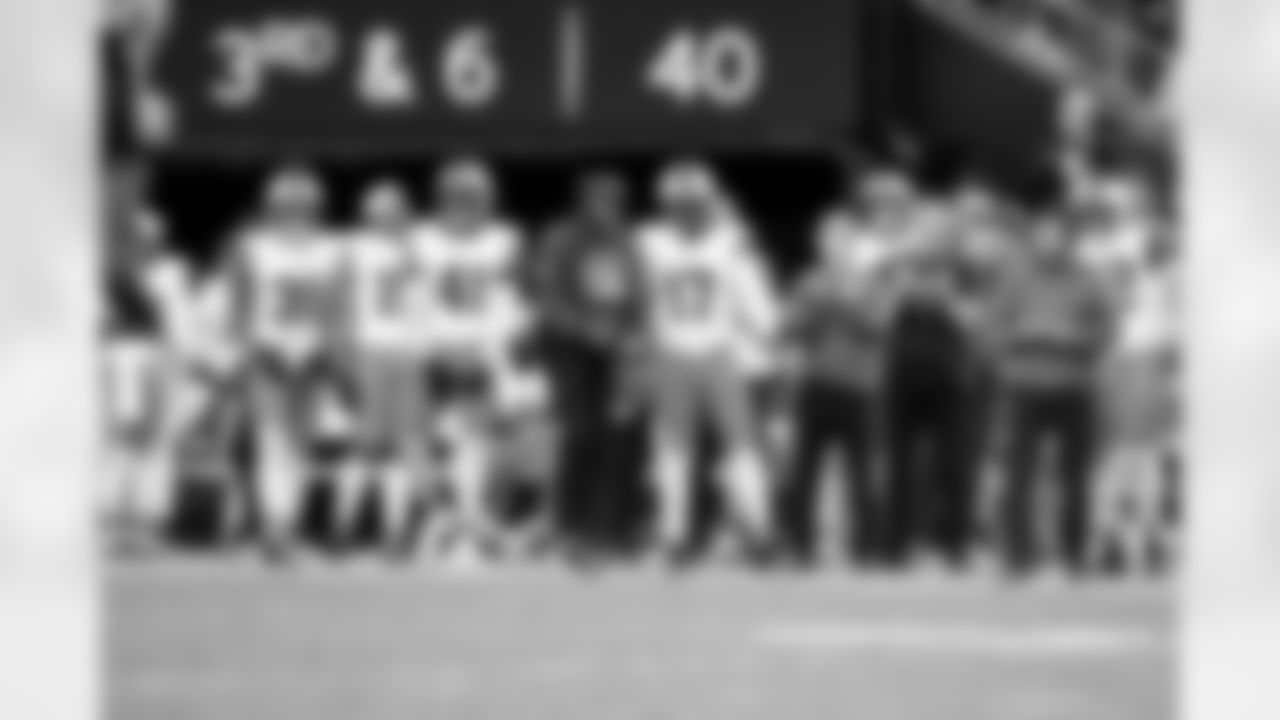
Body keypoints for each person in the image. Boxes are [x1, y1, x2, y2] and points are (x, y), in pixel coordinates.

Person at [635, 160, 779, 564]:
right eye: (682, 206)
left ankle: (754, 529)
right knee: (679, 447)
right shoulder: (664, 242)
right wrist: (770, 330)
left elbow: (751, 297)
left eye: (694, 205)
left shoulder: (658, 241)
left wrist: (768, 332)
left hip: (708, 350)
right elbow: (755, 301)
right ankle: (677, 534)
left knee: (731, 445)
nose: (688, 213)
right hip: (683, 351)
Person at [410, 158, 530, 565]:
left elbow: (515, 302)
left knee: (480, 445)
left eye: (471, 198)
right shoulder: (422, 240)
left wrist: (497, 351)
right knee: (442, 444)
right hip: (436, 352)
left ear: (486, 201)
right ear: (442, 199)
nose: (463, 206)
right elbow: (411, 300)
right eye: (456, 198)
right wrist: (430, 347)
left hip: (485, 353)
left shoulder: (504, 241)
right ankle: (451, 528)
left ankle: (465, 529)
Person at [987, 210, 1115, 576]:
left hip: (1074, 385)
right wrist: (1020, 339)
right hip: (1025, 385)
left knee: (1075, 476)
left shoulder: (1089, 279)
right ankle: (1017, 556)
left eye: (1057, 236)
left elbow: (1107, 328)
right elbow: (993, 325)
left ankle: (1074, 554)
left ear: (1069, 240)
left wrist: (1075, 339)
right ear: (1035, 240)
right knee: (1018, 474)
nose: (1050, 243)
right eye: (1044, 236)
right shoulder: (1015, 278)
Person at [227, 165, 344, 560]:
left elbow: (339, 310)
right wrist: (252, 350)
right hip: (269, 352)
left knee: (299, 444)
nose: (296, 213)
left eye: (303, 206)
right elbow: (239, 310)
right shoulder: (252, 247)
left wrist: (326, 352)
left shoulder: (332, 250)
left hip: (313, 354)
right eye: (288, 206)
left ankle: (286, 522)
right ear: (273, 208)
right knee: (271, 441)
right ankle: (276, 524)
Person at [778, 185, 896, 568]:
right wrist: (815, 309)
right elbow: (791, 328)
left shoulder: (870, 282)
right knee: (805, 469)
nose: (833, 246)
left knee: (861, 470)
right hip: (816, 384)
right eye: (827, 238)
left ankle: (867, 547)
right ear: (818, 244)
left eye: (841, 239)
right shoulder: (808, 282)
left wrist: (847, 305)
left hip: (859, 387)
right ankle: (801, 544)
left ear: (851, 244)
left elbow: (880, 328)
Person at [533, 171, 645, 561]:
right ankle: (570, 525)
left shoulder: (625, 240)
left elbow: (638, 293)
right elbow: (548, 297)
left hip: (613, 349)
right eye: (601, 200)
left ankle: (611, 527)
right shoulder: (562, 237)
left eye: (615, 201)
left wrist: (631, 333)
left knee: (619, 436)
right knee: (581, 432)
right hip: (569, 348)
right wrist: (585, 328)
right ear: (584, 203)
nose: (609, 208)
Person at [877, 175, 985, 570]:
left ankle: (955, 545)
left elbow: (976, 320)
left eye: (936, 228)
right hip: (903, 373)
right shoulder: (894, 264)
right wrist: (901, 287)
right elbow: (878, 316)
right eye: (923, 227)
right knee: (899, 464)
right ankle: (895, 547)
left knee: (954, 463)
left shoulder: (964, 269)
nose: (929, 236)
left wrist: (948, 299)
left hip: (948, 375)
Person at [102, 162, 195, 552]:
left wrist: (183, 365)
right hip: (124, 358)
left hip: (153, 359)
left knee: (147, 444)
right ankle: (115, 524)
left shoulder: (169, 273)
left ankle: (142, 524)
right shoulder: (108, 274)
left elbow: (181, 327)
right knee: (122, 442)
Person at [337, 180, 429, 554]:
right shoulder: (354, 249)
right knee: (366, 445)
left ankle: (394, 532)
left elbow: (423, 302)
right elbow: (341, 303)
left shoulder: (417, 247)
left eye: (397, 211)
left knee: (399, 446)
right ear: (370, 215)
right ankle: (343, 527)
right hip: (370, 350)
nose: (392, 218)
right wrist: (345, 358)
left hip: (408, 353)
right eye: (384, 212)